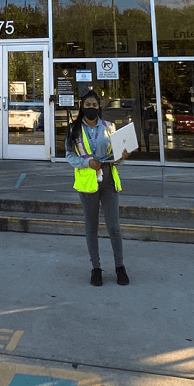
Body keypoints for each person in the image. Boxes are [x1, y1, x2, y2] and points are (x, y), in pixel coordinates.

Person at [65, 90, 130, 287]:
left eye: (94, 105)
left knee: (114, 227)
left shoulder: (109, 127)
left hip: (108, 179)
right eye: (88, 104)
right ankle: (96, 268)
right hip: (87, 183)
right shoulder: (73, 129)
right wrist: (87, 164)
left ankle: (120, 267)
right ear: (82, 106)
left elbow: (115, 157)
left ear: (99, 107)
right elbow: (70, 156)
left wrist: (122, 156)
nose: (91, 108)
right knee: (91, 228)